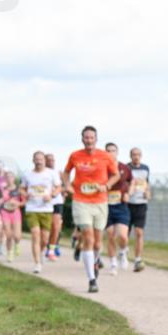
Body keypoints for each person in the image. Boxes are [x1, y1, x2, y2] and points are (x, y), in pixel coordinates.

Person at [64, 125, 120, 293]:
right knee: (87, 237)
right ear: (82, 139)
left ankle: (95, 262)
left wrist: (107, 185)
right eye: (86, 137)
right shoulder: (75, 155)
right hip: (81, 200)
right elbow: (66, 172)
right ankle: (91, 279)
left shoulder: (105, 156)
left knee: (97, 242)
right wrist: (68, 186)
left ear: (96, 139)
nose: (89, 140)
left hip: (100, 202)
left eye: (91, 137)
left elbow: (115, 175)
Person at [22, 151, 61, 274]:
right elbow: (21, 188)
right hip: (32, 209)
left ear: (44, 161)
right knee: (35, 234)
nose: (39, 161)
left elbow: (59, 187)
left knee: (44, 240)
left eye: (41, 159)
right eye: (36, 159)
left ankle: (42, 252)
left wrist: (52, 195)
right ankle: (37, 263)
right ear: (33, 160)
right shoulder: (27, 174)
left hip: (46, 209)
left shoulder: (51, 174)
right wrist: (25, 194)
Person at [104, 142, 133, 276]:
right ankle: (113, 263)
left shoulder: (124, 167)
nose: (111, 153)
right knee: (110, 235)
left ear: (117, 152)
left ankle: (123, 251)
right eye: (108, 151)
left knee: (122, 235)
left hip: (121, 205)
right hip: (106, 206)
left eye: (113, 150)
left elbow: (131, 181)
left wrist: (129, 193)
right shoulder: (102, 167)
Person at [127, 147, 151, 272]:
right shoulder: (127, 168)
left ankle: (138, 259)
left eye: (138, 154)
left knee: (139, 232)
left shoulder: (145, 168)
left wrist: (148, 192)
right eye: (134, 155)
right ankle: (123, 251)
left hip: (141, 203)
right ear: (130, 156)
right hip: (129, 203)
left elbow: (147, 183)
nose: (136, 157)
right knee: (125, 234)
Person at [44, 153, 65, 261]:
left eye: (53, 160)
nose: (52, 162)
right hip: (44, 203)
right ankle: (46, 245)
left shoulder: (59, 172)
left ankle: (52, 248)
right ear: (45, 161)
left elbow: (64, 185)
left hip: (57, 202)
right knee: (48, 227)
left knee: (57, 226)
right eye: (49, 160)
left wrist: (64, 193)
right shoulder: (42, 173)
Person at [0, 171, 24, 260]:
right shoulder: (2, 189)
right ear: (5, 179)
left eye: (11, 177)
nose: (9, 179)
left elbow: (24, 202)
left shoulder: (19, 189)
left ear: (14, 178)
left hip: (15, 212)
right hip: (4, 212)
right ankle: (9, 253)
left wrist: (18, 203)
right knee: (8, 235)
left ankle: (17, 244)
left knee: (17, 235)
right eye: (7, 177)